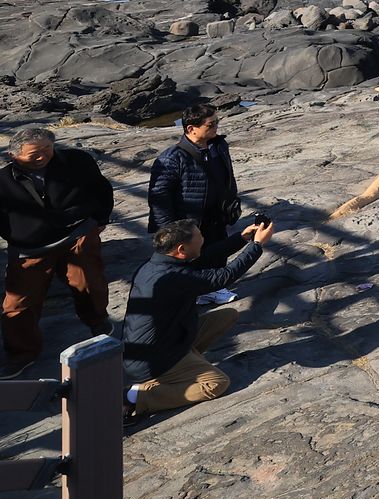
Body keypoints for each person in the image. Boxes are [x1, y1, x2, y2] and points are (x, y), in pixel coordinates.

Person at [118, 215, 275, 418]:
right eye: (199, 236)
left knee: (228, 315)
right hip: (153, 361)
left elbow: (206, 257)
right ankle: (136, 397)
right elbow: (223, 277)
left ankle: (185, 367)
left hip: (165, 341)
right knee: (217, 383)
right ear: (181, 249)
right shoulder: (172, 277)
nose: (203, 238)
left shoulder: (159, 263)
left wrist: (242, 238)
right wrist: (257, 245)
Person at [1, 128, 113, 379]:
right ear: (13, 155)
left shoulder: (77, 160)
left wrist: (100, 218)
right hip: (31, 247)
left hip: (78, 233)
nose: (42, 157)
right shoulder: (3, 181)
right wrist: (15, 237)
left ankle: (98, 320)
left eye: (47, 149)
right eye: (34, 154)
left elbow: (101, 188)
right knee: (18, 302)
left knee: (89, 281)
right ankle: (22, 353)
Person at [148, 105, 242, 297]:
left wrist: (232, 202)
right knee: (194, 257)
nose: (216, 126)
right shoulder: (172, 158)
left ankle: (213, 288)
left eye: (217, 122)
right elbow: (159, 197)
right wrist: (169, 229)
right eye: (210, 124)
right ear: (191, 128)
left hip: (218, 215)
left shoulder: (219, 146)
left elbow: (228, 177)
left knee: (218, 252)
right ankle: (199, 292)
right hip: (190, 220)